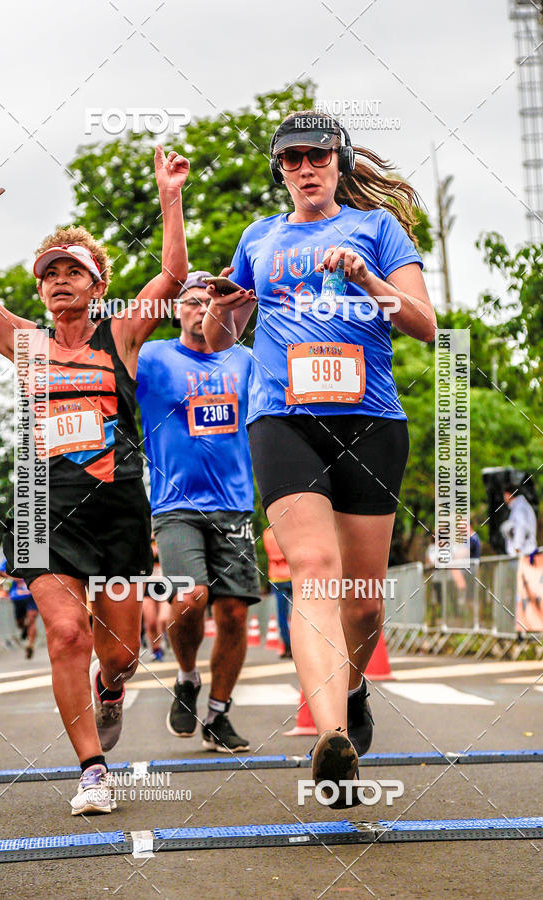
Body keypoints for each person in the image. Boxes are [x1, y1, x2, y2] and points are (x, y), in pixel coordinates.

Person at [0, 147, 189, 815]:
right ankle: (92, 770)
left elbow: (173, 274)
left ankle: (111, 690)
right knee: (65, 634)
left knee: (118, 652)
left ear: (96, 284)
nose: (58, 280)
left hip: (116, 515)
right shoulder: (25, 343)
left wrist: (170, 195)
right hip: (41, 511)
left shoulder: (123, 336)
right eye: (48, 272)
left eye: (72, 271)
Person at [203, 111, 436, 805]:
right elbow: (220, 340)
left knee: (362, 606)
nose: (306, 168)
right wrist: (224, 307)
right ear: (280, 168)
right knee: (313, 572)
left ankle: (354, 686)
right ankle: (331, 739)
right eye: (292, 158)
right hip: (282, 417)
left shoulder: (377, 231)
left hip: (370, 422)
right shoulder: (259, 238)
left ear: (338, 163)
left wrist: (367, 276)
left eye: (317, 156)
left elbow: (425, 324)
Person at [136, 271, 261, 753]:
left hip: (235, 504)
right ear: (174, 308)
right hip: (175, 504)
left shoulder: (243, 360)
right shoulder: (153, 356)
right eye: (187, 301)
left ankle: (218, 715)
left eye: (206, 301)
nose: (196, 308)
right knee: (189, 598)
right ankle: (187, 678)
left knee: (233, 613)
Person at [0, 559, 38, 658]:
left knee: (32, 619)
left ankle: (30, 645)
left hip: (31, 594)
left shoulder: (37, 552)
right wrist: (13, 577)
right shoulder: (14, 554)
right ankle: (24, 628)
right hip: (17, 596)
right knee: (20, 623)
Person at [263, 525, 293, 657]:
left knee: (282, 614)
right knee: (301, 612)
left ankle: (288, 647)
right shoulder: (287, 529)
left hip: (277, 578)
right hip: (293, 574)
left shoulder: (267, 533)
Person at [501, 489, 538, 556]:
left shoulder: (519, 507)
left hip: (525, 551)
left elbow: (521, 526)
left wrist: (517, 548)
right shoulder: (519, 506)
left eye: (505, 495)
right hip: (525, 551)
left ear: (509, 494)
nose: (504, 498)